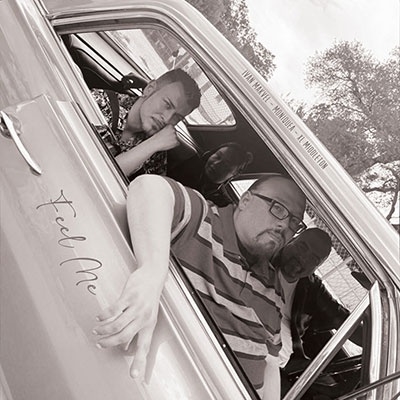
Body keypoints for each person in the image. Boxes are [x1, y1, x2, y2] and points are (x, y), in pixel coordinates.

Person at [92, 173, 306, 399]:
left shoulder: (274, 290)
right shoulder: (204, 219)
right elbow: (150, 187)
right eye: (278, 208)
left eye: (294, 222)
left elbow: (270, 361)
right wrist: (152, 271)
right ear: (245, 201)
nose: (284, 225)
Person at [273, 228, 363, 397]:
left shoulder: (313, 289)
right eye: (302, 247)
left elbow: (347, 324)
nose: (303, 258)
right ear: (292, 239)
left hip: (284, 364)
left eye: (314, 259)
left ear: (317, 267)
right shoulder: (264, 255)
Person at [97, 68, 201, 177]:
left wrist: (154, 144)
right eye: (167, 104)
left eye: (177, 117)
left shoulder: (157, 152)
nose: (167, 119)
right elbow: (102, 174)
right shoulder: (101, 104)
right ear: (149, 89)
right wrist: (153, 144)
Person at [168, 142, 253, 206]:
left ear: (235, 174)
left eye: (225, 165)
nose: (216, 164)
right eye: (217, 156)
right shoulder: (189, 158)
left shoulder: (222, 204)